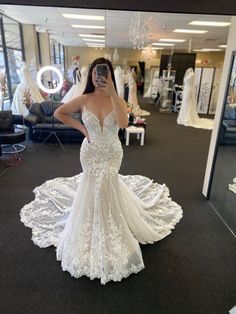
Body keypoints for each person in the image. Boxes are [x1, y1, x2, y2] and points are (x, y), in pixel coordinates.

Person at [20, 58, 183, 285]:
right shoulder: (83, 98)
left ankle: (110, 217)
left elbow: (124, 124)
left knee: (107, 184)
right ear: (91, 75)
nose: (100, 77)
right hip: (89, 152)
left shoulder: (118, 99)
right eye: (97, 72)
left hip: (112, 153)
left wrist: (113, 92)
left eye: (103, 73)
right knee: (91, 185)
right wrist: (82, 128)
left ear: (109, 76)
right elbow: (60, 114)